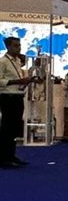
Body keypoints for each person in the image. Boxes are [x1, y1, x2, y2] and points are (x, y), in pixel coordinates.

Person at [0, 37, 34, 167]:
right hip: (7, 97)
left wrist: (26, 81)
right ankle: (4, 158)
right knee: (7, 128)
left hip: (18, 96)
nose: (18, 48)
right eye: (15, 46)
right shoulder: (3, 62)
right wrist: (17, 82)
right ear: (8, 47)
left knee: (14, 128)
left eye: (19, 45)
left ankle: (11, 155)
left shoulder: (18, 61)